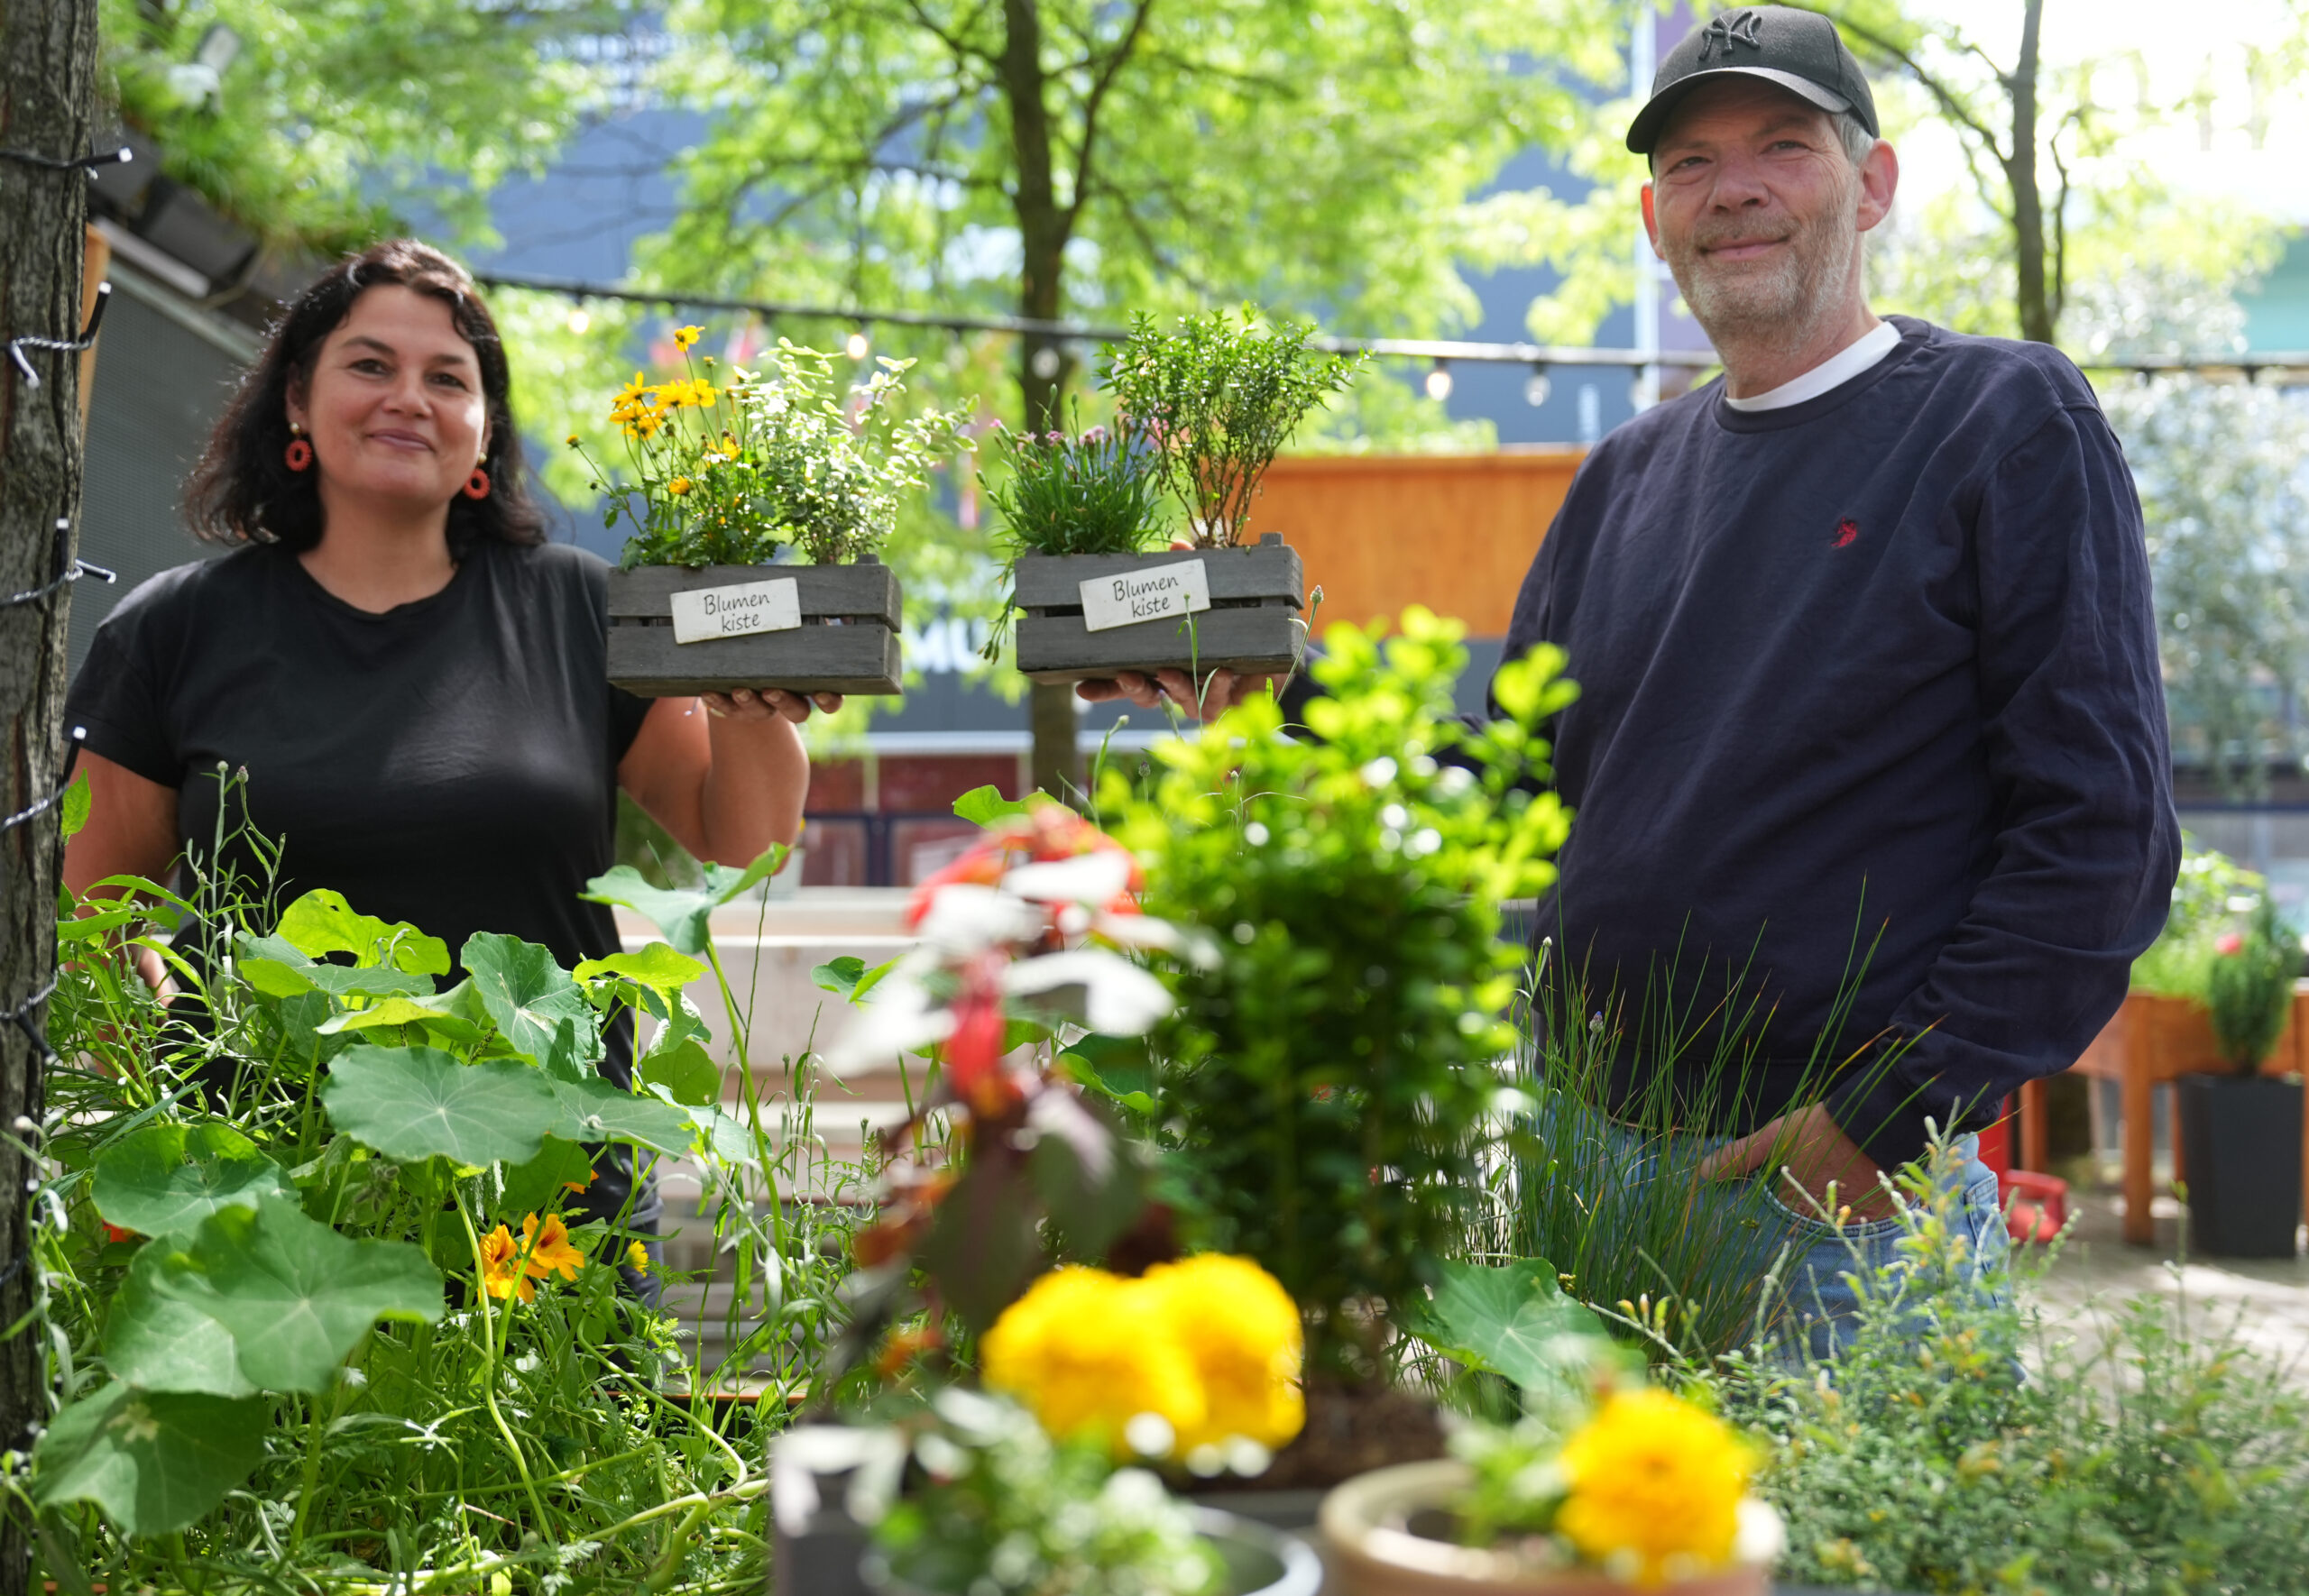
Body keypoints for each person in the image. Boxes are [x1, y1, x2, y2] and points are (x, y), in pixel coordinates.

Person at [1105, 8, 2181, 1353]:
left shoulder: (1999, 420)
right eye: (1690, 164)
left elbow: (2100, 836)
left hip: (1840, 1209)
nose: (1731, 188)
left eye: (1783, 146)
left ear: (1877, 182)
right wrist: (1275, 682)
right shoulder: (1623, 480)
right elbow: (1508, 788)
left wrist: (1885, 1121)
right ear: (1652, 214)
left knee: (1846, 1569)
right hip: (1585, 1167)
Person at [61, 239, 833, 1277]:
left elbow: (742, 838)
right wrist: (168, 1119)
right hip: (260, 1203)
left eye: (447, 377)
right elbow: (89, 917)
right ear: (297, 400)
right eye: (370, 365)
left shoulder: (585, 609)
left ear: (484, 430)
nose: (407, 398)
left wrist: (753, 694)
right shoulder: (175, 630)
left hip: (545, 1198)